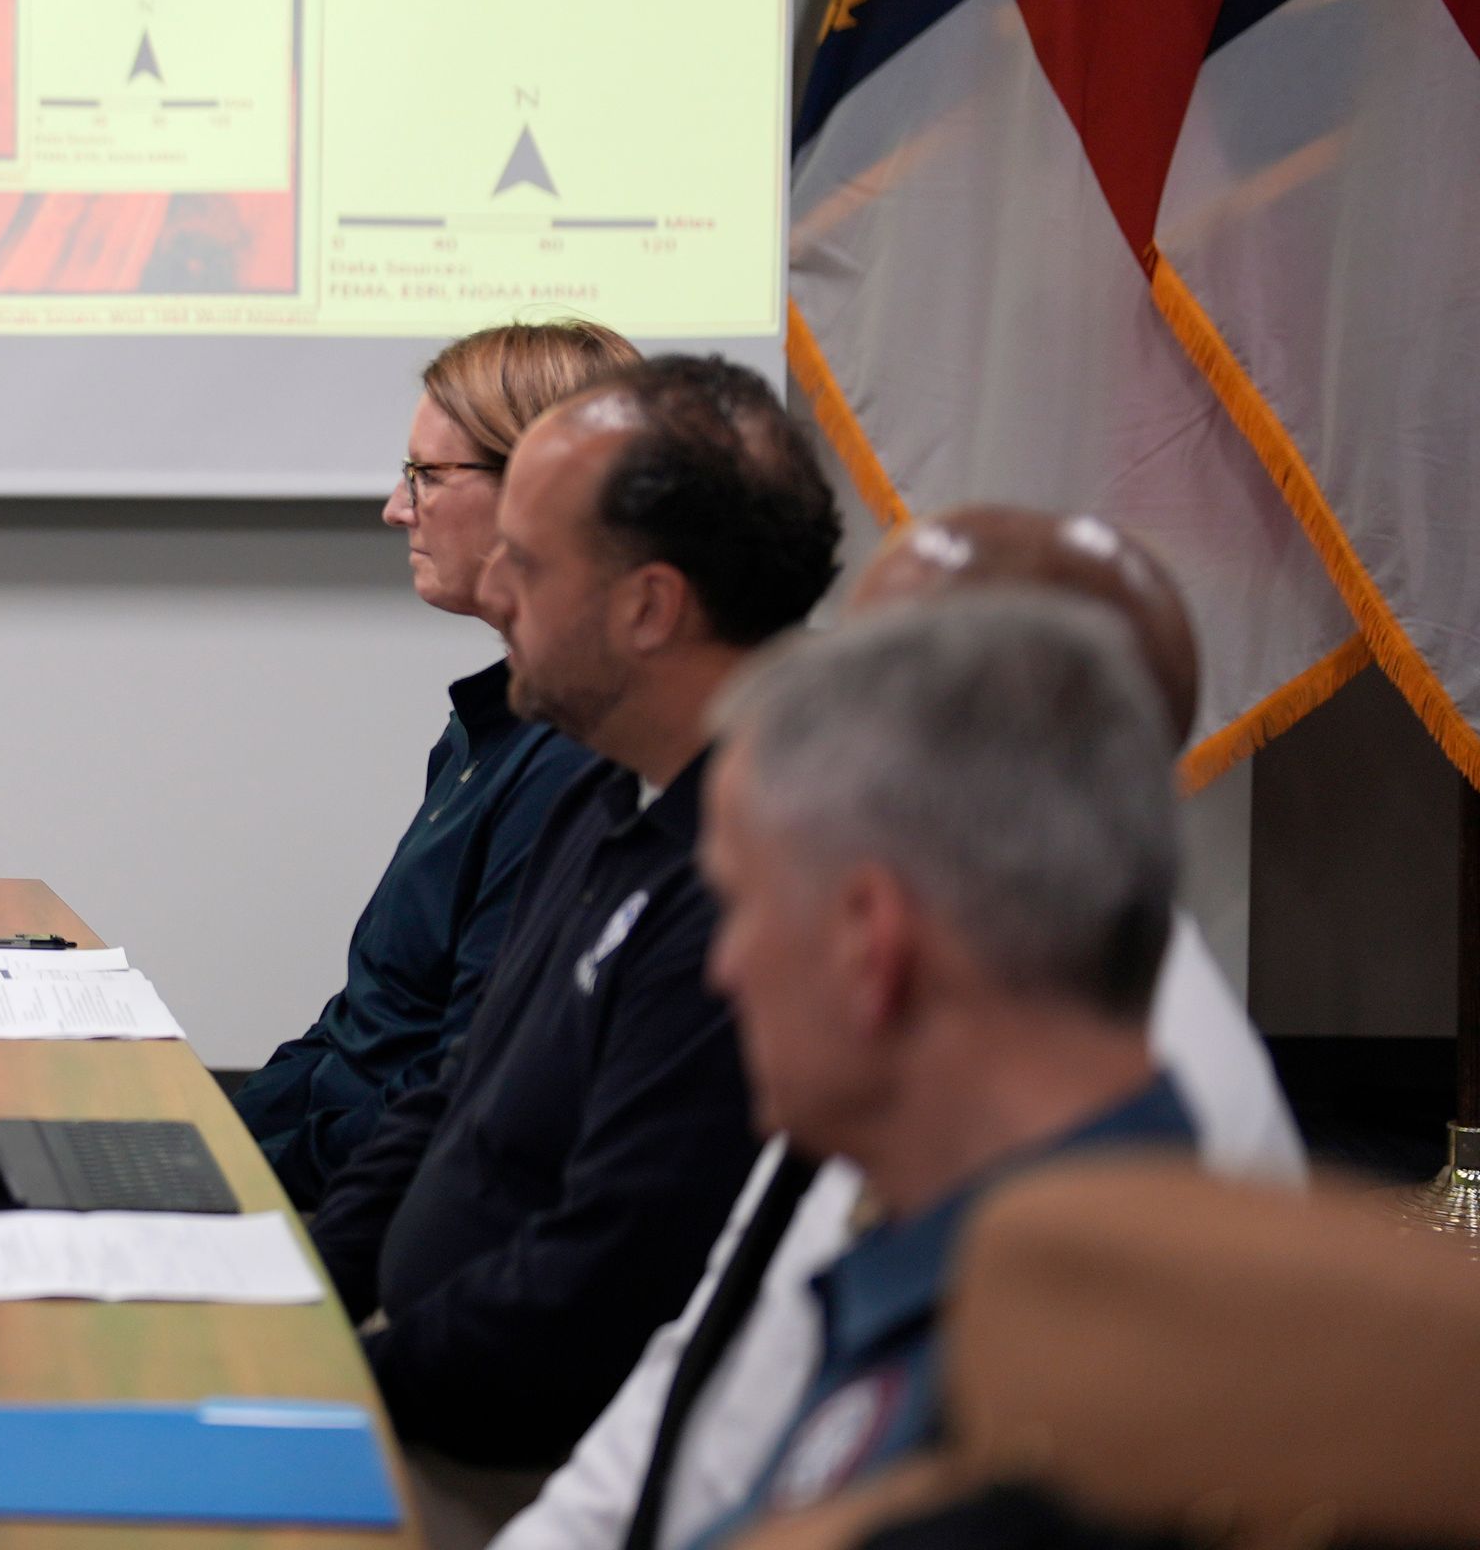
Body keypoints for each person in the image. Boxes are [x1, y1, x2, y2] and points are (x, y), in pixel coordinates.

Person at [496, 505, 1304, 1550]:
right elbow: (704, 1376)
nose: (723, 964)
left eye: (743, 906)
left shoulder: (1110, 1209)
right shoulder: (934, 1058)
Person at [309, 355, 837, 1514]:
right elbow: (450, 1091)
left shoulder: (752, 880)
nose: (498, 595)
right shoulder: (620, 788)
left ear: (649, 606)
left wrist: (331, 1381)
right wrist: (294, 1295)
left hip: (527, 1454)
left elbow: (598, 1289)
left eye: (530, 567)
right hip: (426, 1378)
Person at [682, 594, 1199, 1546]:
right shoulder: (1098, 1252)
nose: (722, 966)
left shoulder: (1026, 1419)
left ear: (868, 945)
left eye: (738, 903)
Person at [225, 320, 632, 1208]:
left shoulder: (575, 765)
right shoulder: (487, 727)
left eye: (426, 476)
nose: (396, 508)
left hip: (373, 1216)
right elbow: (360, 1027)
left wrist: (244, 1182)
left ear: (539, 492)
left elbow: (456, 1092)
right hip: (332, 1172)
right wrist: (209, 1141)